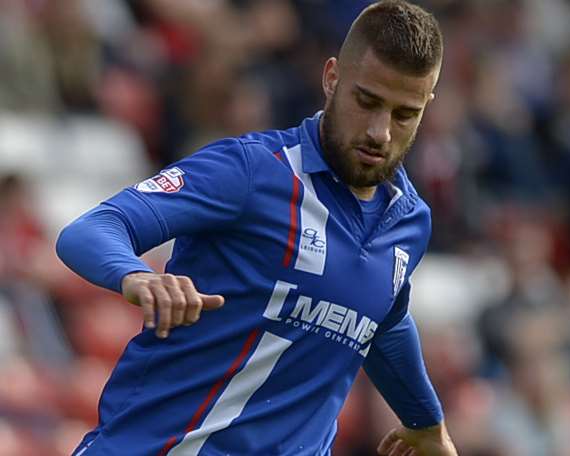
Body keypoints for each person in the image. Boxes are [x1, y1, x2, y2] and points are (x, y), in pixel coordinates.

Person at [56, 1, 458, 455]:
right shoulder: (251, 172)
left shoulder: (409, 221)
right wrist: (139, 276)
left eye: (404, 114)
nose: (380, 132)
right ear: (332, 78)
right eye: (367, 102)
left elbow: (382, 318)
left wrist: (427, 422)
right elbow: (93, 229)